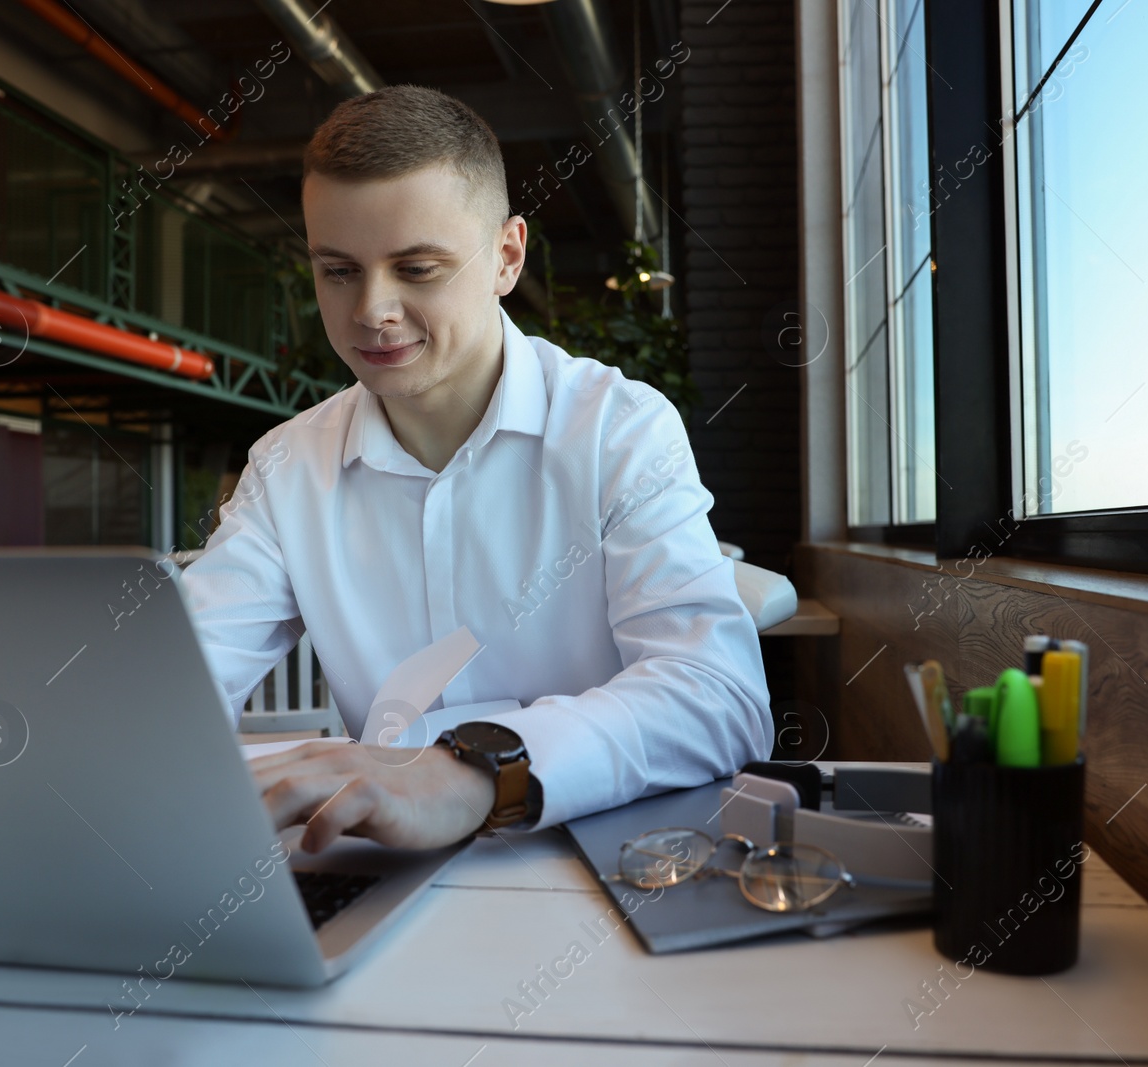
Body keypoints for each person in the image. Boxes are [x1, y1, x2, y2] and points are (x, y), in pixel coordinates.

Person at [180, 85, 770, 859]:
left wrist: (476, 769)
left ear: (507, 255)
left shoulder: (617, 429)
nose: (372, 311)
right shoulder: (288, 467)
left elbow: (720, 699)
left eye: (417, 268)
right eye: (338, 271)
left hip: (609, 865)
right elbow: (175, 690)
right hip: (389, 873)